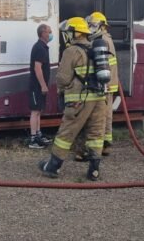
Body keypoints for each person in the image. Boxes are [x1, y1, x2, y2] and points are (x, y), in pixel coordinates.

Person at [38, 17, 107, 181]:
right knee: (96, 133)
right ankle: (94, 171)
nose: (67, 35)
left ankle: (53, 167)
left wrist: (63, 90)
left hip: (80, 99)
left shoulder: (71, 51)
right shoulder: (96, 48)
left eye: (69, 32)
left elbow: (62, 78)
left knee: (66, 132)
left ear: (76, 33)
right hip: (99, 98)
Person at [86, 11, 119, 156]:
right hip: (108, 81)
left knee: (103, 114)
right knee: (106, 113)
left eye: (92, 24)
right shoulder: (105, 38)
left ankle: (104, 144)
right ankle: (105, 142)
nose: (90, 27)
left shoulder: (102, 40)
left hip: (105, 83)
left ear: (100, 25)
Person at [28, 23, 53, 149]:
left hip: (40, 86)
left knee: (38, 111)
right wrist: (43, 85)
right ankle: (33, 140)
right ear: (43, 33)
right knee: (35, 111)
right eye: (49, 31)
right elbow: (37, 68)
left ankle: (38, 135)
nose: (51, 34)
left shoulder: (43, 47)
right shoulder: (39, 48)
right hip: (36, 86)